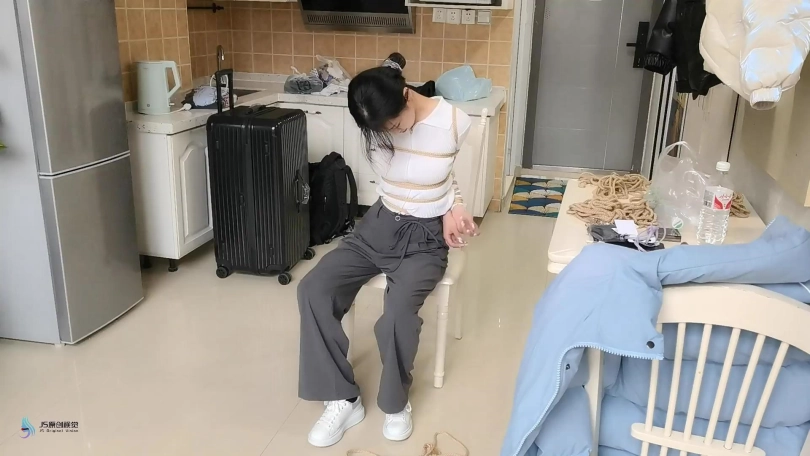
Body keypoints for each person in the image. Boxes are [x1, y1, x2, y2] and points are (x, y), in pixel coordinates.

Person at [297, 53, 478, 448]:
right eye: (381, 130)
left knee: (396, 316)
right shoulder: (375, 125)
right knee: (313, 289)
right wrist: (452, 202)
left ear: (407, 96)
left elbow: (444, 173)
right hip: (377, 227)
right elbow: (409, 176)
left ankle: (396, 403)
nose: (390, 133)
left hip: (424, 240)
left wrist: (454, 207)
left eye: (394, 124)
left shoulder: (454, 122)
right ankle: (342, 398)